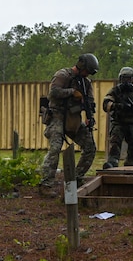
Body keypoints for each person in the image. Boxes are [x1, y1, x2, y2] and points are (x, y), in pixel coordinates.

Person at [39, 53, 99, 197]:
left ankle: (76, 178)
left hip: (73, 119)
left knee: (90, 147)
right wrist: (72, 92)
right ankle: (46, 184)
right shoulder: (63, 75)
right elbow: (53, 93)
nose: (87, 75)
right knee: (55, 148)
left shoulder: (86, 83)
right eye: (87, 71)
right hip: (57, 116)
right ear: (81, 66)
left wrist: (90, 116)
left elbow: (89, 101)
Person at [102, 67, 133, 169]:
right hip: (119, 122)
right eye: (124, 78)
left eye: (129, 79)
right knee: (115, 142)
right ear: (120, 79)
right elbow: (106, 104)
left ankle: (132, 165)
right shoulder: (116, 91)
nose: (126, 81)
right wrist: (118, 106)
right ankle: (112, 162)